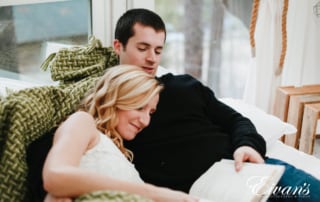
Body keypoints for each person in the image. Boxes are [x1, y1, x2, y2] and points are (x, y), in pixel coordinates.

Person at [112, 8, 320, 202]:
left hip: (247, 169)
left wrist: (246, 145)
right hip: (205, 193)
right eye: (142, 48)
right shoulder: (111, 106)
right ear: (118, 47)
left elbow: (236, 120)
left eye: (158, 51)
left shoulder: (183, 86)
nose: (151, 59)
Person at [42, 64, 200, 202]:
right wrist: (159, 195)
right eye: (139, 107)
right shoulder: (82, 121)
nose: (146, 121)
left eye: (151, 112)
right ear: (115, 98)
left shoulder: (122, 155)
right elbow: (55, 175)